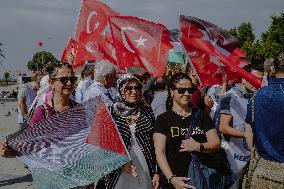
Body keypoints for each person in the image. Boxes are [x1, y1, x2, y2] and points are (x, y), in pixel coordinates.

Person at [154, 73, 221, 189]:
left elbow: (216, 143)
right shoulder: (163, 119)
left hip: (200, 180)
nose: (186, 94)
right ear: (171, 91)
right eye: (181, 90)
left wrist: (198, 146)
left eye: (190, 90)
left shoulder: (201, 116)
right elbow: (160, 152)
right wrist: (172, 179)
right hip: (173, 183)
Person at [103, 76, 159, 189]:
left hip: (144, 165)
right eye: (129, 88)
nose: (134, 91)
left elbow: (155, 145)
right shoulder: (110, 112)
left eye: (137, 88)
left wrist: (156, 171)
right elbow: (104, 144)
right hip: (119, 169)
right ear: (121, 90)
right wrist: (119, 164)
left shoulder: (147, 112)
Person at [219, 64, 264, 188]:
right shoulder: (230, 96)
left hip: (251, 157)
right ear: (243, 79)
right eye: (253, 78)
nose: (256, 82)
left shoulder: (260, 96)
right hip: (231, 158)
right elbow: (223, 127)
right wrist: (247, 135)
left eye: (260, 79)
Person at [245, 52, 284, 163]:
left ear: (273, 69)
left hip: (265, 168)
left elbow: (248, 135)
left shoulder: (256, 96)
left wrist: (253, 152)